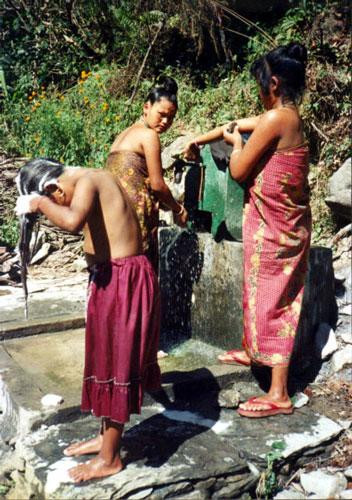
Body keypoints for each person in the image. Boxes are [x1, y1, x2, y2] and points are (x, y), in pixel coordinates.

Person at [183, 42, 311, 418]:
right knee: (256, 288)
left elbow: (238, 170)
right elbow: (236, 124)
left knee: (275, 299)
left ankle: (279, 393)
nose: (258, 92)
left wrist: (235, 146)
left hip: (278, 228)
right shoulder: (287, 116)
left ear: (272, 83)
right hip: (275, 223)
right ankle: (255, 349)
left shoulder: (276, 120)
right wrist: (199, 140)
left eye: (259, 84)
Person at [15, 158, 161, 480]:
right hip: (112, 278)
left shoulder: (89, 182)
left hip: (125, 282)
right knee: (104, 361)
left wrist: (38, 203)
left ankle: (111, 458)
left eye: (52, 200)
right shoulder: (90, 181)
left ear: (54, 189)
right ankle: (104, 438)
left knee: (117, 365)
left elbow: (71, 220)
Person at [105, 76, 188, 272]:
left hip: (113, 213)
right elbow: (158, 185)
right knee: (138, 273)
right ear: (146, 108)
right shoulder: (149, 136)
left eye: (171, 117)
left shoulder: (123, 134)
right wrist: (178, 210)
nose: (166, 121)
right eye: (161, 114)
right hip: (134, 218)